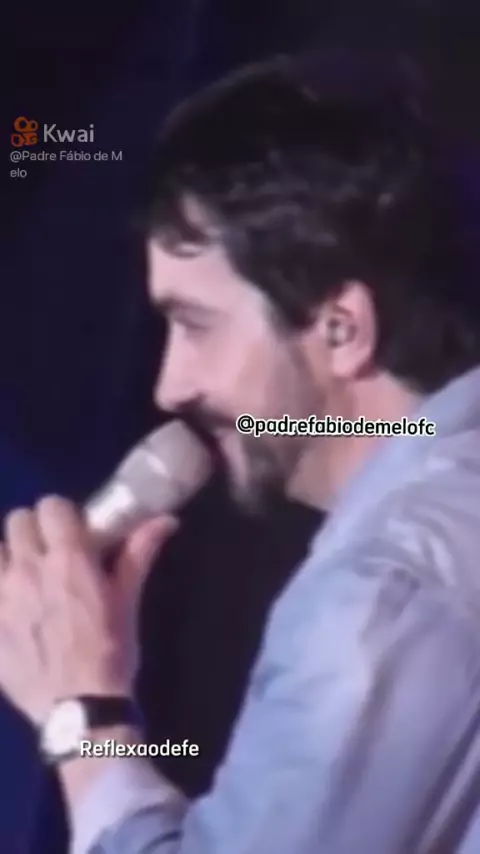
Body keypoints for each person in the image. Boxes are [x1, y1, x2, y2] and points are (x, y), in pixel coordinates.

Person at [2, 52, 480, 854]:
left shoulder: (383, 590)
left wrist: (82, 711)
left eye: (195, 325)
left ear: (341, 328)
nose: (169, 386)